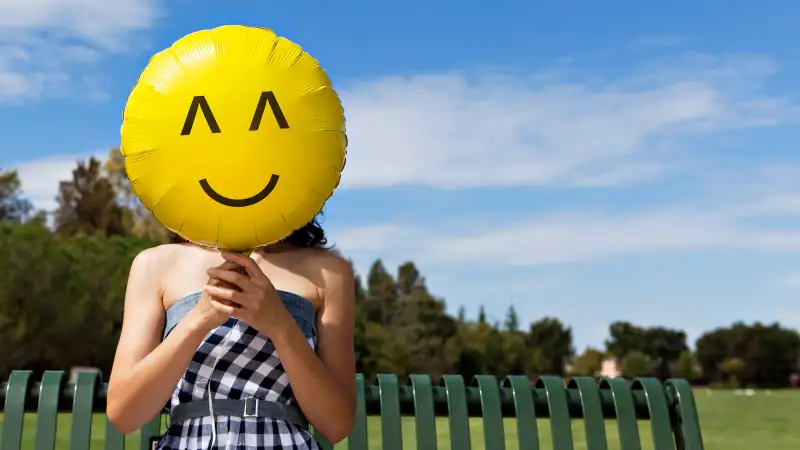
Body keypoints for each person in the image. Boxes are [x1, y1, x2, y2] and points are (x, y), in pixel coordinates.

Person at [106, 218, 356, 449]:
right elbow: (124, 415)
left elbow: (336, 425)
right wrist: (199, 320)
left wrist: (280, 324)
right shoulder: (156, 264)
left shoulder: (329, 273)